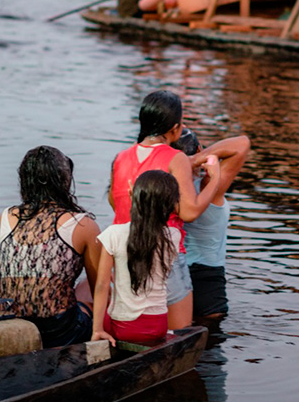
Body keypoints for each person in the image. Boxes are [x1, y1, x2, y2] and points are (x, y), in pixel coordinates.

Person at [110, 90, 221, 329]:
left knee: (134, 323)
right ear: (176, 129)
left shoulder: (120, 158)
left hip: (125, 251)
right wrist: (215, 180)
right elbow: (189, 212)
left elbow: (115, 203)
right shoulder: (175, 158)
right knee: (178, 334)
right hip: (164, 253)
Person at [0, 146, 102, 348]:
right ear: (64, 181)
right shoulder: (83, 224)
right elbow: (99, 286)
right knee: (90, 291)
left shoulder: (7, 216)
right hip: (58, 330)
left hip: (11, 323)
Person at [93, 170, 181, 345]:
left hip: (124, 328)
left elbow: (102, 285)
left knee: (87, 296)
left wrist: (97, 330)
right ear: (171, 204)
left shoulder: (114, 234)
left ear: (134, 196)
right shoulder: (174, 236)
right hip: (158, 325)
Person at [172, 129, 250, 318]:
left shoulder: (164, 189)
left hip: (172, 277)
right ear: (199, 149)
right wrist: (196, 160)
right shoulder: (208, 188)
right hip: (207, 284)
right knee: (210, 343)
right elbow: (242, 144)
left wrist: (182, 163)